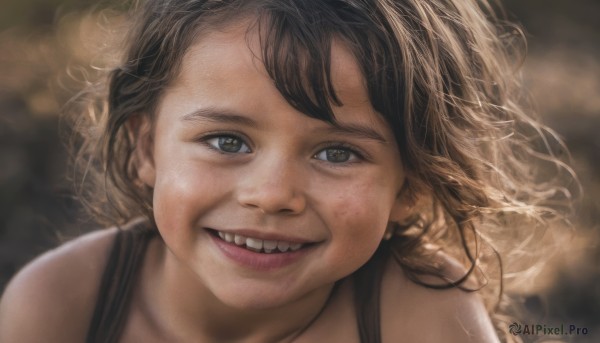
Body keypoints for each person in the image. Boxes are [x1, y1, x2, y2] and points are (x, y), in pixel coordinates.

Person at [0, 0, 574, 342]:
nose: (272, 195)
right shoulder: (62, 306)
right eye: (226, 141)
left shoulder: (422, 318)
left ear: (412, 185)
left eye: (337, 153)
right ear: (146, 149)